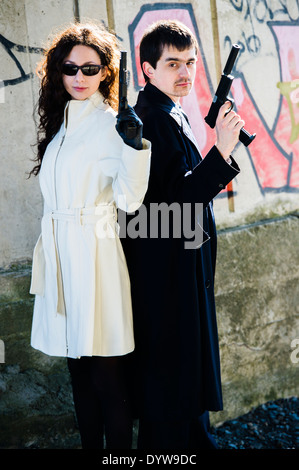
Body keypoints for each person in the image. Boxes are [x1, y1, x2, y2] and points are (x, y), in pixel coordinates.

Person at [120, 20, 244, 449]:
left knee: (183, 385)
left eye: (190, 61)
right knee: (172, 385)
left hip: (178, 269)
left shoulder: (169, 112)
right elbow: (177, 201)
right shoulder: (152, 119)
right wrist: (222, 149)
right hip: (166, 276)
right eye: (173, 63)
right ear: (148, 69)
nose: (185, 72)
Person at [28, 21, 151, 449]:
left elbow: (130, 200)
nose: (79, 77)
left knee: (106, 378)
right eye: (70, 68)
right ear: (58, 72)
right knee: (78, 374)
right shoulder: (62, 124)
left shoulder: (110, 123)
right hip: (63, 256)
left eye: (90, 68)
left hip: (95, 260)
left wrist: (135, 147)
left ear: (106, 73)